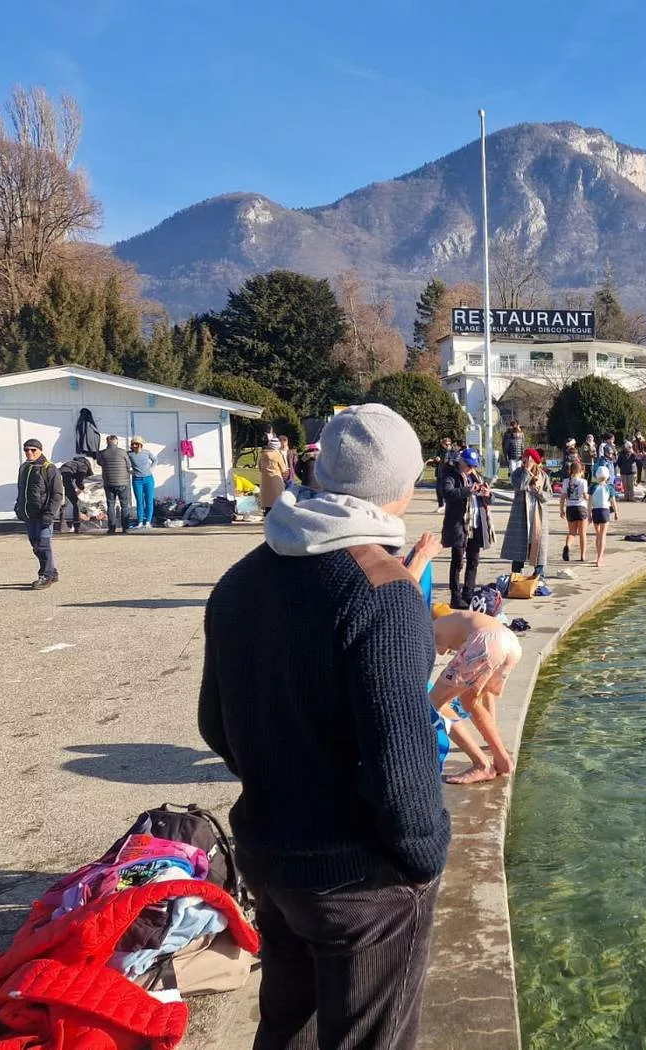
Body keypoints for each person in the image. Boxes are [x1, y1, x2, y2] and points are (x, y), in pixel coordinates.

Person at [199, 403, 449, 1049]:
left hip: (269, 855)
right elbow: (404, 770)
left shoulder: (239, 581)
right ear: (404, 486)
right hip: (359, 884)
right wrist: (423, 859)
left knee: (288, 1027)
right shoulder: (383, 593)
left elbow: (214, 725)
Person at [430, 609, 523, 785]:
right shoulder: (459, 618)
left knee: (435, 703)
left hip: (486, 641)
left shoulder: (428, 628)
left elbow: (434, 656)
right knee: (471, 700)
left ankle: (482, 765)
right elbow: (486, 695)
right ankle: (502, 759)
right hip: (510, 641)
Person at [439, 447, 492, 608]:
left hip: (475, 523)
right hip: (459, 525)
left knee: (473, 561)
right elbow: (448, 493)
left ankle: (468, 593)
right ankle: (455, 597)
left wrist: (488, 494)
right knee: (457, 562)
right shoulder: (450, 474)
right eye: (468, 465)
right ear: (461, 462)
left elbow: (490, 499)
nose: (471, 469)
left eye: (473, 466)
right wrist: (469, 490)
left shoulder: (476, 476)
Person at [15, 438, 63, 590]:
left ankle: (46, 575)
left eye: (33, 450)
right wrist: (18, 507)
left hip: (44, 514)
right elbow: (21, 490)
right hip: (29, 514)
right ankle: (52, 572)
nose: (29, 452)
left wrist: (49, 513)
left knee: (43, 544)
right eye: (26, 450)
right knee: (35, 545)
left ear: (40, 450)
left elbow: (57, 494)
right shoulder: (24, 468)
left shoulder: (49, 468)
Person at [501, 448, 549, 578]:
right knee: (520, 544)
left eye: (528, 458)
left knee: (539, 543)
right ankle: (516, 575)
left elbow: (548, 496)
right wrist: (527, 471)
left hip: (538, 515)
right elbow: (520, 485)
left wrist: (538, 491)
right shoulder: (518, 473)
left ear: (534, 460)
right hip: (521, 514)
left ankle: (539, 575)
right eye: (524, 457)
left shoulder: (543, 475)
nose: (524, 460)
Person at [95, 434, 133, 534]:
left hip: (109, 482)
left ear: (107, 442)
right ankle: (126, 528)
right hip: (123, 482)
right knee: (124, 505)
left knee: (110, 505)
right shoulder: (123, 452)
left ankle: (112, 528)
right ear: (116, 442)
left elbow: (99, 463)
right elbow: (128, 465)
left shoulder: (102, 453)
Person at [560, 459, 589, 563]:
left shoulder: (566, 481)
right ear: (581, 471)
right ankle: (582, 556)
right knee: (583, 534)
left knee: (572, 532)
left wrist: (561, 509)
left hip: (570, 508)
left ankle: (567, 546)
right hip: (581, 507)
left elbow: (563, 496)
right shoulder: (583, 481)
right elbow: (585, 496)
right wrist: (591, 499)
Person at [590, 465, 619, 567]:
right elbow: (613, 502)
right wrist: (616, 513)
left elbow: (590, 502)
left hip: (595, 511)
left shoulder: (593, 487)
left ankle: (598, 556)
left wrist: (589, 513)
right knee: (603, 536)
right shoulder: (609, 488)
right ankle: (600, 558)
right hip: (604, 511)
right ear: (607, 477)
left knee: (597, 535)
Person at [128, 436, 156, 530]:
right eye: (132, 444)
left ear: (141, 445)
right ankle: (139, 522)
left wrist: (151, 468)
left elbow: (155, 460)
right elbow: (124, 463)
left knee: (149, 501)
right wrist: (129, 471)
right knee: (139, 502)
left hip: (148, 479)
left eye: (136, 444)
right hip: (137, 480)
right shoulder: (129, 454)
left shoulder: (146, 452)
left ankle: (148, 521)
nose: (134, 446)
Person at [58, 454, 92, 533]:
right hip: (66, 482)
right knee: (77, 503)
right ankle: (77, 526)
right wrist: (84, 489)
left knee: (63, 504)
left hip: (57, 482)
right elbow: (79, 482)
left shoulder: (69, 463)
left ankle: (62, 525)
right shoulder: (83, 466)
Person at [258, 434, 288, 512]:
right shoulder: (277, 454)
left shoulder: (263, 454)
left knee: (267, 500)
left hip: (265, 480)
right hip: (275, 479)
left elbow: (260, 468)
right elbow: (283, 469)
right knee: (277, 499)